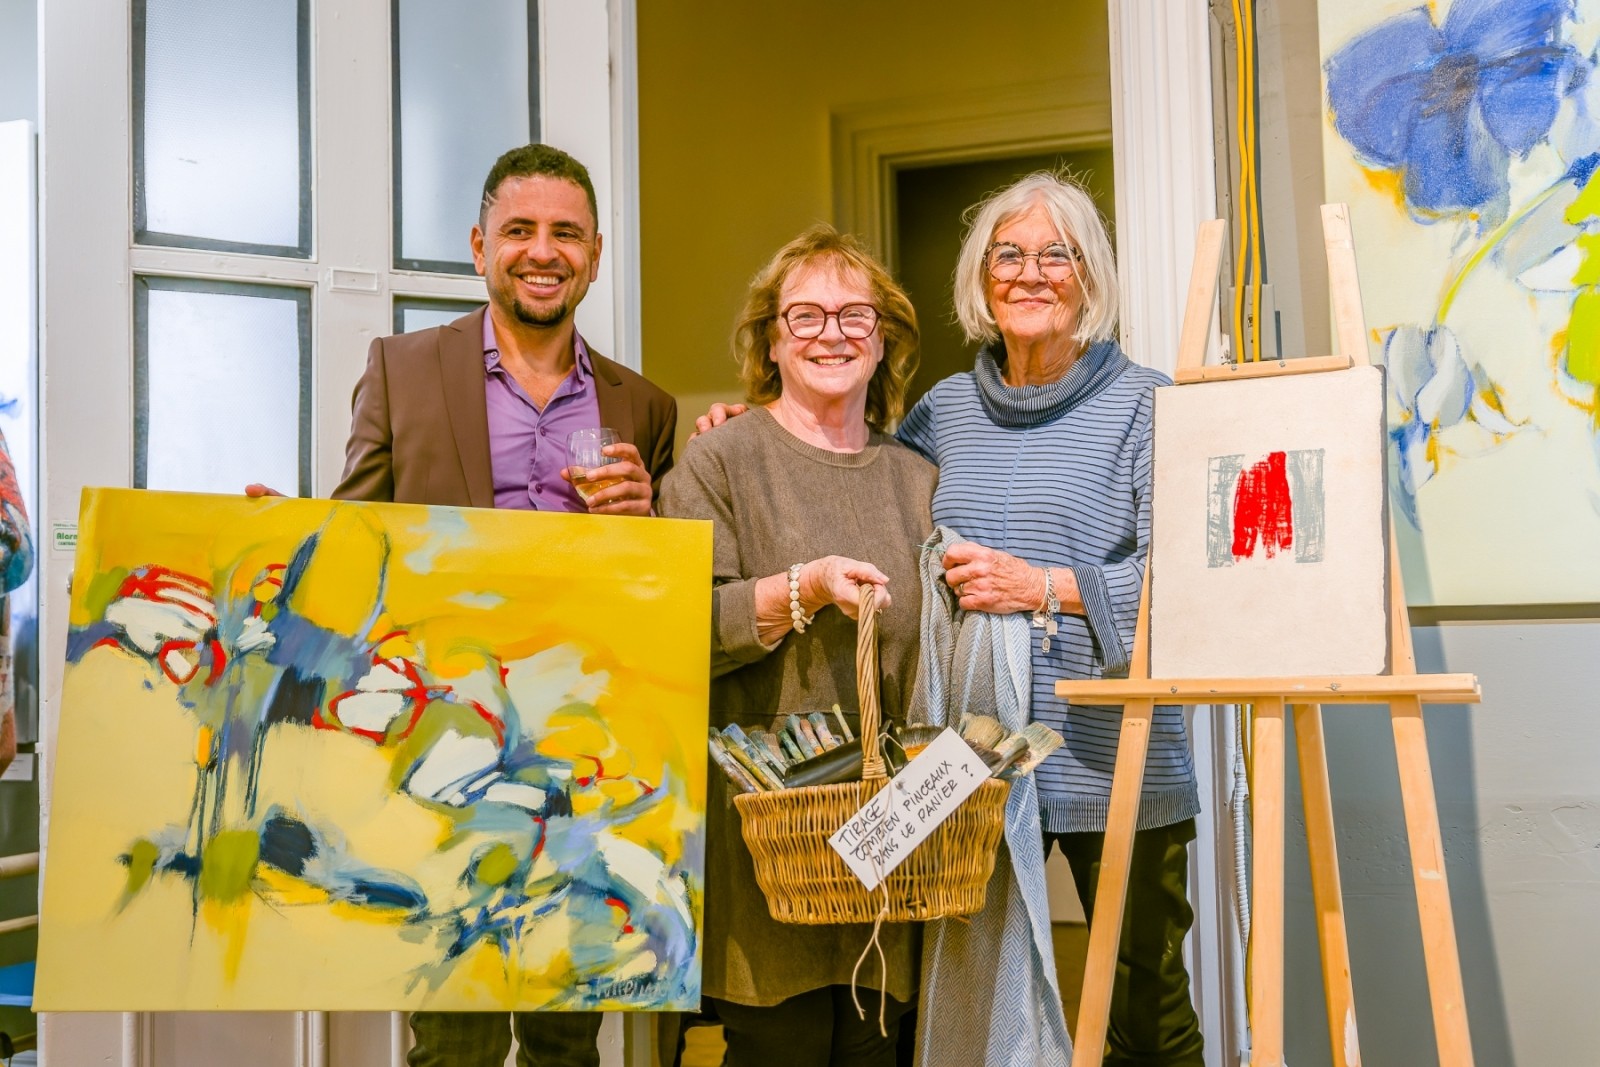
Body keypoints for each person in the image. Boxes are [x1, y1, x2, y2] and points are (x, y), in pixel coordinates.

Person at [694, 173, 1203, 1067]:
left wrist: (1044, 585)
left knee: (1143, 1021)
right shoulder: (945, 414)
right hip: (967, 776)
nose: (1030, 273)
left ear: (1090, 276)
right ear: (981, 277)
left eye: (1056, 254)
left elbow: (1192, 587)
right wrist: (754, 425)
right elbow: (849, 480)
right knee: (975, 1019)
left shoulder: (1149, 405)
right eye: (1009, 254)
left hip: (1111, 764)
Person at [287, 142, 677, 1067]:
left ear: (594, 255)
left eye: (566, 233)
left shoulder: (645, 407)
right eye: (520, 230)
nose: (543, 251)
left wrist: (650, 520)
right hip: (440, 744)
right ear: (479, 246)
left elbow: (667, 588)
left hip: (584, 754)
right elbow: (357, 538)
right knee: (451, 1032)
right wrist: (278, 546)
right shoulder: (403, 370)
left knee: (566, 1032)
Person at [659, 225, 934, 1067]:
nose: (831, 334)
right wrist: (801, 588)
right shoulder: (718, 462)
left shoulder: (918, 478)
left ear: (882, 340)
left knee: (876, 1050)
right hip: (767, 849)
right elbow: (683, 630)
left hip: (891, 841)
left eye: (855, 315)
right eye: (805, 315)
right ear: (771, 341)